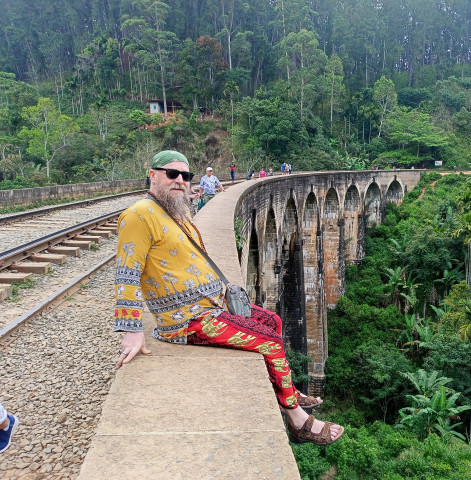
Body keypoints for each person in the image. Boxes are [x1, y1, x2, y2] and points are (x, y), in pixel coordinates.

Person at [114, 150, 343, 446]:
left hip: (213, 306)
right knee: (269, 342)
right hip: (188, 320)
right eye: (172, 174)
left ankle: (286, 388)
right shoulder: (138, 215)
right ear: (153, 175)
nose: (180, 181)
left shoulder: (173, 211)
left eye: (186, 176)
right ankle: (297, 420)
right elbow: (126, 274)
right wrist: (132, 332)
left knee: (271, 320)